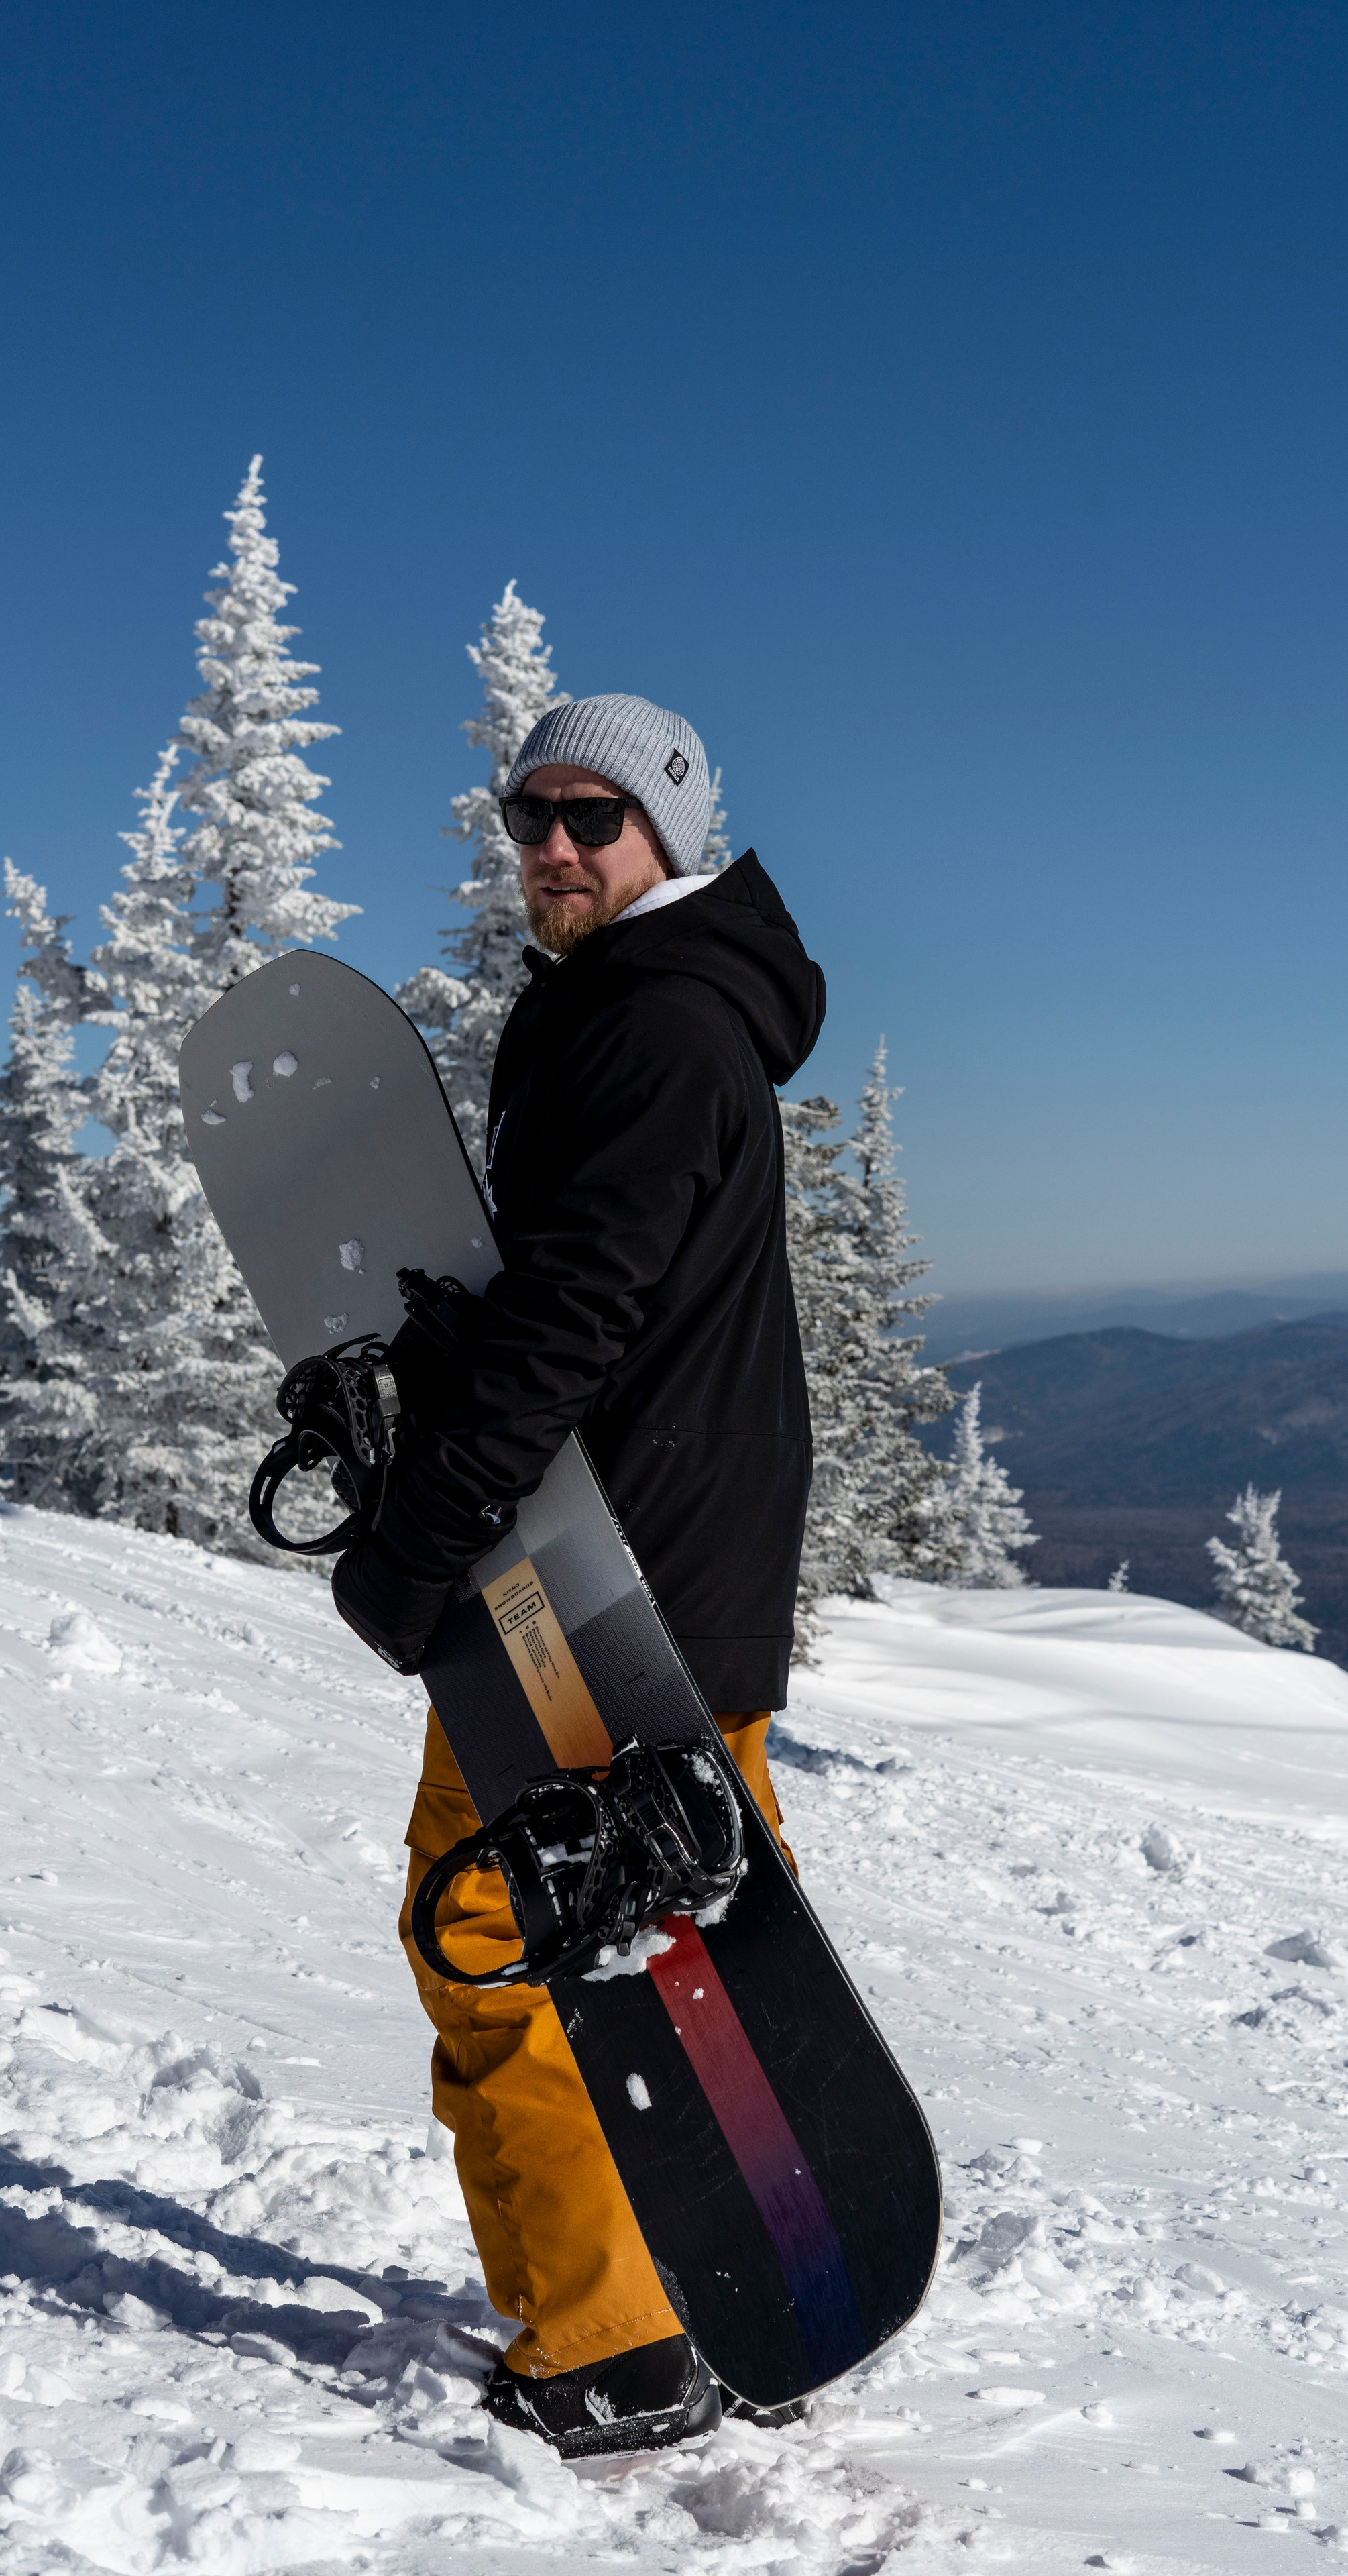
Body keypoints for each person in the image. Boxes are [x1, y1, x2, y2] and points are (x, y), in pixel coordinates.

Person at [331, 694, 826, 2457]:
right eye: (526, 814)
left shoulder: (650, 1032)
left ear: (668, 835)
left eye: (590, 818)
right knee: (671, 1948)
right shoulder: (663, 1018)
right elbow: (597, 1298)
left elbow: (570, 1329)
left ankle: (612, 2343)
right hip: (678, 1578)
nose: (549, 845)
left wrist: (419, 1541)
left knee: (493, 1941)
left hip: (588, 1595)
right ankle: (723, 2298)